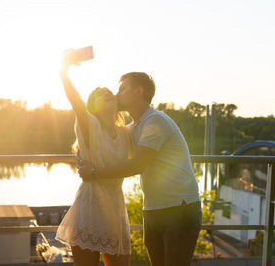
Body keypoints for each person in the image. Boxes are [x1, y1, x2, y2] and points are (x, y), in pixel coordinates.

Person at [78, 72, 202, 266]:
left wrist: (94, 173)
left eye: (122, 89)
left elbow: (137, 165)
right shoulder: (133, 127)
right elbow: (106, 135)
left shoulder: (155, 121)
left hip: (179, 209)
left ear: (138, 92)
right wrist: (84, 154)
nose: (117, 94)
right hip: (153, 210)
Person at [55, 51, 131, 266]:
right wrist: (63, 71)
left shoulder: (126, 133)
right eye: (99, 93)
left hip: (116, 210)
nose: (105, 93)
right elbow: (76, 103)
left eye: (109, 92)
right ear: (93, 106)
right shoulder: (90, 125)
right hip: (90, 210)